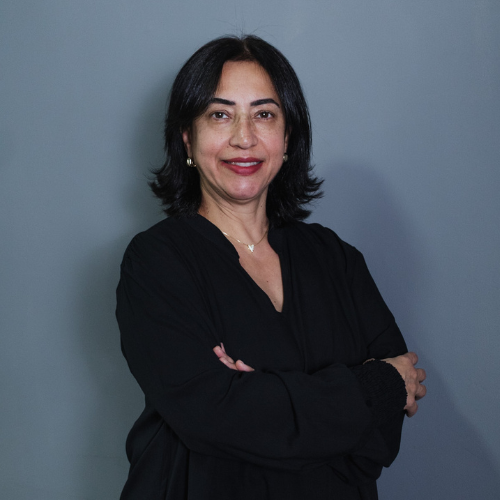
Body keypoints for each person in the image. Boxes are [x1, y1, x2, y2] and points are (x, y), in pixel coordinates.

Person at [116, 34, 426, 500]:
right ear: (187, 137)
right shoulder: (156, 262)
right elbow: (213, 418)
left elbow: (383, 432)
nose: (244, 137)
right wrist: (372, 385)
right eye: (219, 115)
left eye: (264, 114)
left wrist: (263, 398)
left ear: (288, 137)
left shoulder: (335, 257)